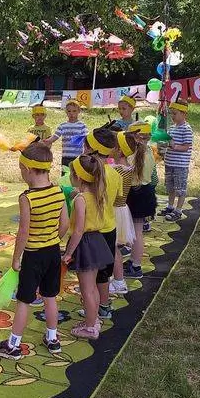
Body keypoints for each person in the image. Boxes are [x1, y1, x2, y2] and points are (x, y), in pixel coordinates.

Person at [0, 142, 69, 359]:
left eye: (21, 170)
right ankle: (53, 339)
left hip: (33, 255)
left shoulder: (27, 198)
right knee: (50, 296)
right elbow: (65, 223)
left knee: (24, 300)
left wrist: (16, 259)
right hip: (53, 252)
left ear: (28, 169)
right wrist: (53, 239)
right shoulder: (58, 191)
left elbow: (23, 231)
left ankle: (13, 345)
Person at [63, 154, 115, 339]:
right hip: (97, 241)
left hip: (84, 245)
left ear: (78, 177)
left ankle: (90, 327)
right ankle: (92, 320)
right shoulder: (98, 194)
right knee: (92, 287)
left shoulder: (80, 200)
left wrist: (68, 253)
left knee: (86, 290)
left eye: (71, 174)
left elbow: (78, 231)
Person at [80, 128, 124, 319]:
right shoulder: (116, 174)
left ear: (92, 149)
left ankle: (92, 313)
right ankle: (104, 306)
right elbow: (117, 200)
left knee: (89, 276)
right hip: (109, 228)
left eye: (85, 146)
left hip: (92, 232)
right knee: (104, 274)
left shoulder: (90, 174)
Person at [124, 121, 157, 279]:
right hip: (146, 191)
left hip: (136, 193)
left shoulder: (132, 156)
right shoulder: (149, 151)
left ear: (135, 137)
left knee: (137, 231)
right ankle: (133, 260)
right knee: (137, 230)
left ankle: (136, 266)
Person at [109, 131, 137, 294]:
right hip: (121, 210)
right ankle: (116, 280)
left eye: (112, 145)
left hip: (113, 211)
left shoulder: (115, 170)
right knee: (114, 248)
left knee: (112, 248)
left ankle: (118, 282)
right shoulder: (128, 167)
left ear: (119, 150)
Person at [158, 99, 193, 221]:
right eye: (171, 113)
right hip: (169, 163)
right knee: (170, 187)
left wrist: (174, 146)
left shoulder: (186, 129)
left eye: (175, 113)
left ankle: (178, 210)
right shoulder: (172, 128)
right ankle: (170, 206)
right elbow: (168, 142)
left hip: (180, 165)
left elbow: (186, 147)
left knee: (180, 188)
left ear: (184, 114)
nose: (172, 116)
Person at [43, 99, 89, 168]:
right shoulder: (63, 125)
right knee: (65, 174)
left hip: (78, 157)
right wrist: (47, 141)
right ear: (66, 112)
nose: (71, 113)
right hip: (65, 156)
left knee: (77, 174)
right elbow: (55, 136)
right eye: (69, 111)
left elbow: (86, 138)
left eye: (74, 111)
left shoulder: (82, 126)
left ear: (79, 111)